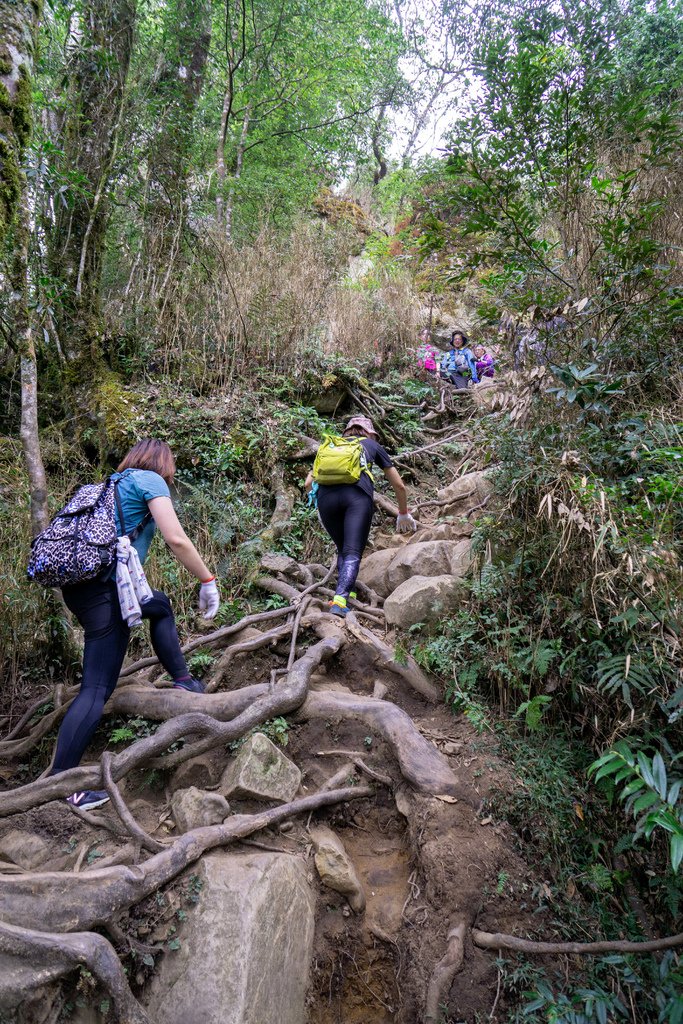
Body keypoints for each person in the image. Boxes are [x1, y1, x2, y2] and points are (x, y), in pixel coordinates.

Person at [53, 438, 220, 810]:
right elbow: (176, 539)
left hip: (81, 586)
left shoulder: (107, 486)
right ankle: (62, 785)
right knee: (96, 689)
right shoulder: (151, 481)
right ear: (162, 464)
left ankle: (184, 680)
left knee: (158, 605)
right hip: (106, 591)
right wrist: (207, 580)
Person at [305, 416, 417, 617]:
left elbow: (307, 484)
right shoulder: (371, 445)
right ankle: (339, 602)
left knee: (342, 548)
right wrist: (402, 512)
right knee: (352, 551)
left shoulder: (330, 445)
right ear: (369, 433)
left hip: (325, 500)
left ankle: (349, 591)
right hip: (356, 499)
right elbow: (399, 485)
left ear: (347, 432)